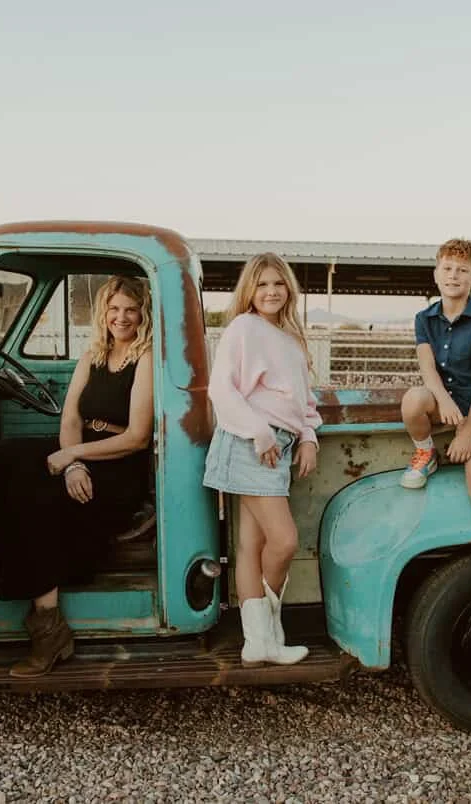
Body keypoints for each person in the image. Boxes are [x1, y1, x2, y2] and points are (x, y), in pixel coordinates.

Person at [0, 275, 155, 678]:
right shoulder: (93, 354)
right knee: (6, 455)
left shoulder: (146, 357)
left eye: (130, 309)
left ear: (142, 314)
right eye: (114, 309)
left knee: (38, 498)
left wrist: (72, 456)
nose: (121, 317)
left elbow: (136, 437)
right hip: (84, 450)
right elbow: (71, 417)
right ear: (104, 312)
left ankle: (49, 628)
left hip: (119, 462)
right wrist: (75, 463)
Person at [204, 252, 320, 666]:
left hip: (277, 446)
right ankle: (268, 633)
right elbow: (221, 389)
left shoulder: (290, 338)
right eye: (262, 284)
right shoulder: (243, 327)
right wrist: (259, 431)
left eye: (278, 283)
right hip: (250, 443)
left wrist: (308, 437)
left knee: (251, 546)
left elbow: (304, 400)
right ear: (249, 291)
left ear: (288, 288)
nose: (271, 291)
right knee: (284, 541)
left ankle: (258, 643)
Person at [398, 238, 471, 618]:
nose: (453, 276)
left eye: (462, 270)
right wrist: (442, 401)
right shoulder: (424, 318)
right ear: (435, 273)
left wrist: (467, 431)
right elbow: (427, 369)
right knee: (413, 401)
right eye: (447, 268)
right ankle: (425, 451)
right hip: (444, 401)